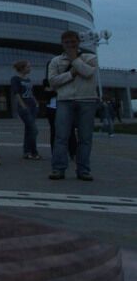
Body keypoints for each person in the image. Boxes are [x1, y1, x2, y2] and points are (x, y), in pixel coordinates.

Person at [48, 30, 99, 181]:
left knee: (85, 137)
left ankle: (83, 170)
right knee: (61, 136)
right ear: (62, 44)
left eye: (73, 42)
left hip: (87, 99)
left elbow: (88, 72)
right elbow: (52, 81)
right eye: (67, 42)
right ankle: (58, 169)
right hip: (65, 100)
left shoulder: (90, 57)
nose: (70, 45)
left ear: (78, 42)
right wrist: (70, 74)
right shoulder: (56, 61)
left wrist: (74, 59)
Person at [11, 61, 41, 159]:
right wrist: (23, 105)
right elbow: (16, 93)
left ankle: (27, 152)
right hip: (24, 107)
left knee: (29, 129)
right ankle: (34, 152)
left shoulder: (28, 79)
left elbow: (31, 92)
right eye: (28, 67)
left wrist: (36, 103)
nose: (30, 68)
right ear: (22, 68)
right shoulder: (15, 79)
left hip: (33, 106)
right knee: (34, 130)